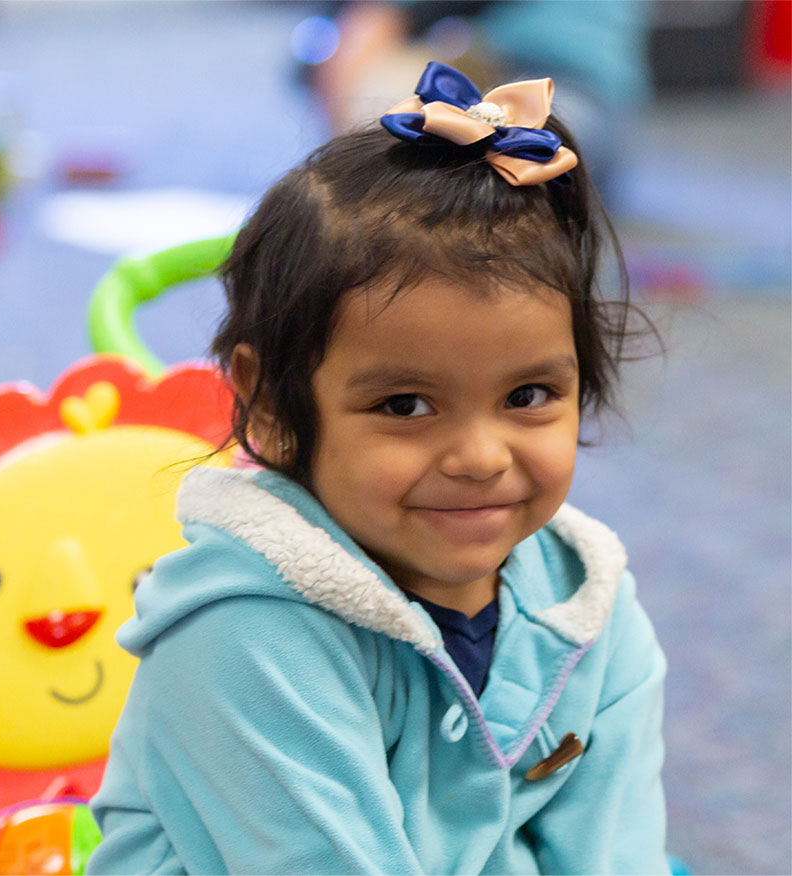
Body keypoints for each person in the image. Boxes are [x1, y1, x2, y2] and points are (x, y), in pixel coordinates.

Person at [87, 63, 668, 875]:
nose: (479, 458)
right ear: (274, 410)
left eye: (529, 394)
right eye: (405, 406)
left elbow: (616, 854)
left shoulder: (590, 606)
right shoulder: (243, 632)